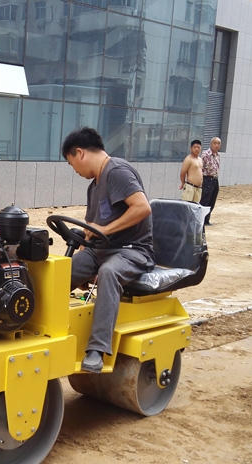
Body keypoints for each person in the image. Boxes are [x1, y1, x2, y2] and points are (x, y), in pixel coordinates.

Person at [61, 127, 154, 373]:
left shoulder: (117, 172)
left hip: (132, 251)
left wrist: (106, 229)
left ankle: (97, 349)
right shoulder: (94, 186)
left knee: (109, 272)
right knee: (61, 271)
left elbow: (142, 208)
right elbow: (91, 227)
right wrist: (83, 248)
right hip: (101, 250)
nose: (74, 170)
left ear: (80, 153)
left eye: (71, 163)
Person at [200, 137, 221, 225]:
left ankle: (207, 220)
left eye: (218, 143)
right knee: (205, 200)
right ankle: (201, 220)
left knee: (212, 200)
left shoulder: (217, 155)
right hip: (207, 179)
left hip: (215, 180)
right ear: (211, 144)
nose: (217, 145)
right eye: (215, 143)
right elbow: (200, 168)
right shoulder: (205, 154)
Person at [179, 139, 203, 204]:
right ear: (191, 148)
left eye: (198, 147)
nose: (197, 149)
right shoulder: (188, 159)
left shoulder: (200, 159)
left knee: (195, 207)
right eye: (195, 147)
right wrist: (183, 183)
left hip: (198, 188)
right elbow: (182, 173)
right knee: (187, 206)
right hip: (190, 187)